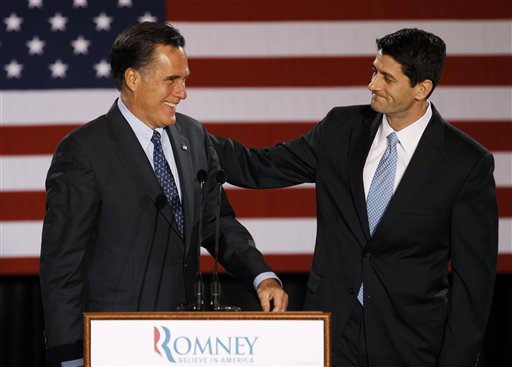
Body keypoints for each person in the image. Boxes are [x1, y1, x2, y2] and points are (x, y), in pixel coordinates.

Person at [211, 28, 498, 366]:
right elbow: (257, 167)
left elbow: (473, 284)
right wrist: (188, 138)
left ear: (422, 88)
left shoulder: (465, 162)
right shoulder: (340, 128)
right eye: (374, 70)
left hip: (410, 342)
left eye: (387, 78)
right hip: (332, 332)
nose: (373, 84)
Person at [39, 22, 288, 367]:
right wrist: (70, 356)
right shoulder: (84, 151)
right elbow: (62, 265)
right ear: (133, 79)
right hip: (116, 342)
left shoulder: (193, 134)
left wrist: (261, 277)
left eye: (184, 79)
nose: (183, 92)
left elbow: (216, 222)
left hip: (185, 341)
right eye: (172, 80)